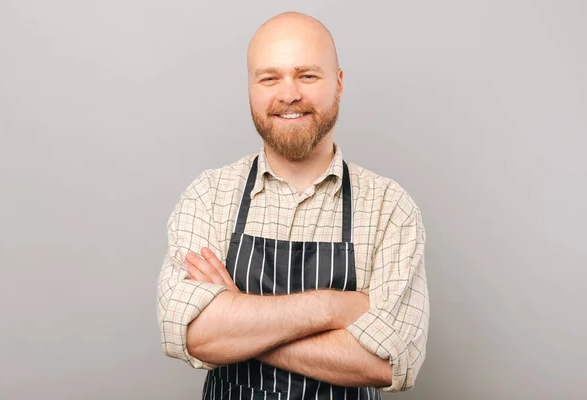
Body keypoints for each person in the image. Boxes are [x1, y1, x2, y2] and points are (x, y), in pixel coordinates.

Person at [156, 11, 429, 399]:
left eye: (308, 75)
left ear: (338, 83)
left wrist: (237, 324)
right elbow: (192, 335)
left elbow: (387, 362)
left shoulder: (390, 207)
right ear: (250, 87)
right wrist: (331, 308)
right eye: (269, 78)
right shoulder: (208, 194)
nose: (289, 94)